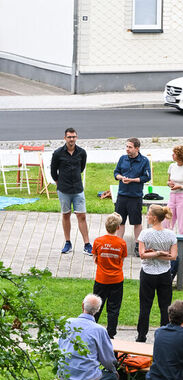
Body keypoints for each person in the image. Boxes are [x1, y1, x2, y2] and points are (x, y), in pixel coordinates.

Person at [58, 293, 118, 380]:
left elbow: (60, 347)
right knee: (112, 377)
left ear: (82, 306)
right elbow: (107, 359)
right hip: (87, 375)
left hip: (65, 372)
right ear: (98, 310)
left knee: (68, 368)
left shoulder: (68, 323)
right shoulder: (99, 330)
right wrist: (113, 370)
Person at [136, 204, 177, 342]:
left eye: (148, 214)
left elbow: (142, 254)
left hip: (148, 273)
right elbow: (173, 257)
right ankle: (164, 336)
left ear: (154, 218)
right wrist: (160, 254)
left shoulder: (145, 234)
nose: (146, 216)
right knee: (165, 306)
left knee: (145, 306)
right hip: (165, 273)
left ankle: (141, 336)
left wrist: (153, 254)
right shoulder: (171, 234)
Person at [51, 127, 92, 255]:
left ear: (76, 138)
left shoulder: (82, 153)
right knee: (66, 215)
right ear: (65, 138)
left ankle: (87, 244)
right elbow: (53, 172)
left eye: (73, 137)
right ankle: (68, 242)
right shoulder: (58, 153)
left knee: (82, 215)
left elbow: (81, 168)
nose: (71, 139)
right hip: (64, 190)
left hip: (78, 189)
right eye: (69, 137)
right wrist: (60, 183)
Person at [92, 212, 127, 339]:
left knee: (96, 306)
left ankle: (92, 329)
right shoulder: (121, 243)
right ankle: (111, 333)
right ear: (118, 227)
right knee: (113, 308)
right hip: (117, 279)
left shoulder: (98, 241)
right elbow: (122, 259)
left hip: (101, 279)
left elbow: (95, 258)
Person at [114, 138, 151, 257]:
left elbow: (146, 177)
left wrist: (133, 180)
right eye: (126, 147)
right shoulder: (122, 158)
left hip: (135, 196)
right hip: (122, 195)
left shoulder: (144, 161)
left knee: (137, 222)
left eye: (130, 147)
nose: (127, 149)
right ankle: (118, 245)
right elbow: (116, 172)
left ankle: (137, 245)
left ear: (137, 148)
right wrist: (121, 178)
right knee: (120, 221)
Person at [163, 145, 183, 250]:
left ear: (180, 155)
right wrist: (170, 184)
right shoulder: (171, 166)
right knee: (166, 222)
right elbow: (168, 181)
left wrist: (181, 186)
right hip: (172, 197)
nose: (172, 155)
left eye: (174, 153)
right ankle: (167, 245)